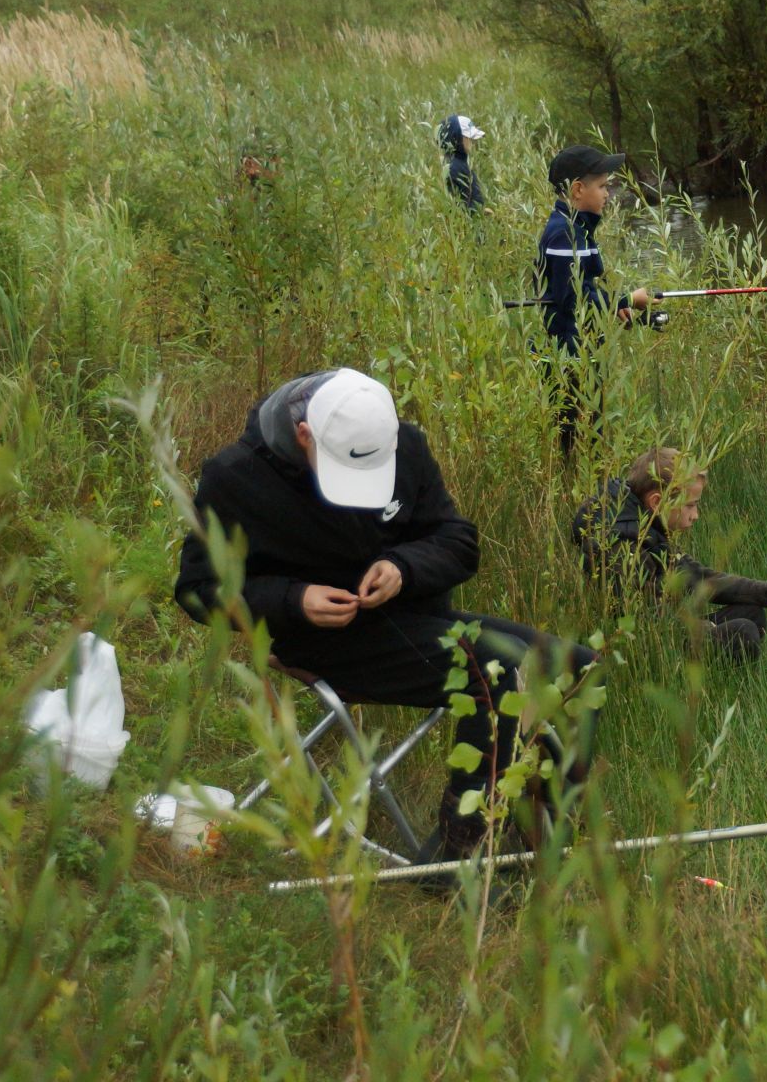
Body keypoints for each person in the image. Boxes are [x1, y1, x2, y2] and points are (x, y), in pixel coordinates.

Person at [174, 368, 596, 860]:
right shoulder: (236, 478)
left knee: (577, 668)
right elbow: (199, 589)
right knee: (499, 669)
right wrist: (294, 598)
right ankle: (461, 860)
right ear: (303, 435)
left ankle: (548, 840)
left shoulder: (402, 445)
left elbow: (457, 542)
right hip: (319, 640)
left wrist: (402, 567)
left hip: (417, 621)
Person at [571, 447, 767, 659]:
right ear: (657, 502)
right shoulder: (622, 549)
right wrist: (705, 629)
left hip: (670, 631)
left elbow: (702, 580)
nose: (696, 515)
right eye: (690, 505)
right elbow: (649, 627)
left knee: (752, 611)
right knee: (742, 632)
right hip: (648, 649)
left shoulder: (644, 524)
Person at [536, 144, 651, 454]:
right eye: (602, 186)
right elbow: (570, 297)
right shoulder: (563, 234)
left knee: (591, 433)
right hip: (567, 357)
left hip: (581, 351)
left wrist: (615, 308)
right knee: (575, 439)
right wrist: (626, 299)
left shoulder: (578, 229)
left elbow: (585, 287)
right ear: (577, 189)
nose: (607, 194)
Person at [438, 115, 487, 212]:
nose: (472, 141)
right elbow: (460, 206)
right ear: (456, 138)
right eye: (468, 137)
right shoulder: (455, 167)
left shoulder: (452, 163)